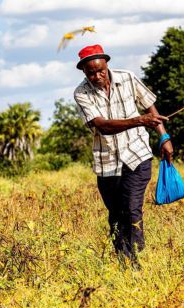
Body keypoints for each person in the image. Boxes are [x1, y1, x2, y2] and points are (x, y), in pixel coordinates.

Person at [73, 44, 174, 267]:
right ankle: (124, 261)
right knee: (116, 215)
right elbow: (102, 126)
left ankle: (139, 259)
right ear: (83, 71)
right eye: (91, 73)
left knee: (132, 208)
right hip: (107, 162)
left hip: (137, 154)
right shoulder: (81, 93)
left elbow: (149, 106)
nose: (97, 76)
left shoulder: (127, 78)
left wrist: (163, 137)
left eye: (100, 70)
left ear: (106, 64)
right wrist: (139, 121)